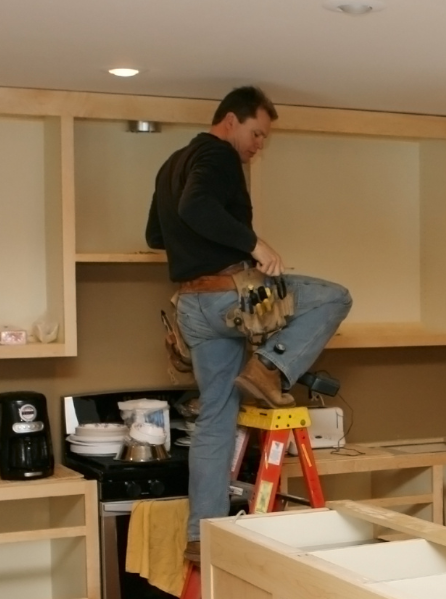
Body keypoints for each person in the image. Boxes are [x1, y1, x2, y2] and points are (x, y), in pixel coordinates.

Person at [146, 86, 352, 562]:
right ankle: (270, 369)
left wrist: (196, 248)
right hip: (228, 297)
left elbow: (156, 233)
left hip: (191, 308)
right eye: (256, 133)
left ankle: (202, 535)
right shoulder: (216, 156)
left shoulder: (170, 164)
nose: (258, 145)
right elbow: (196, 208)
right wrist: (255, 246)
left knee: (215, 420)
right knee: (334, 297)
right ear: (230, 122)